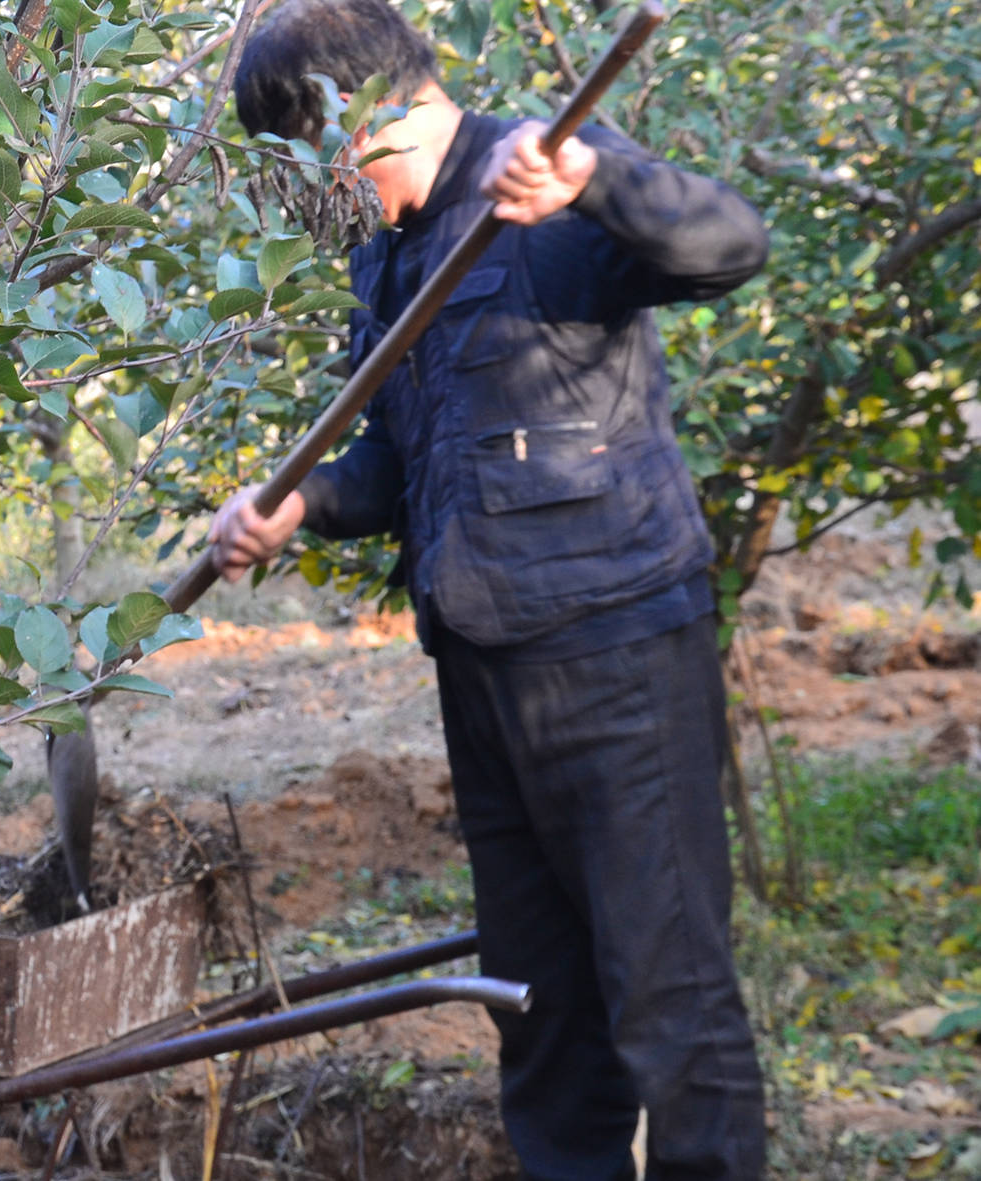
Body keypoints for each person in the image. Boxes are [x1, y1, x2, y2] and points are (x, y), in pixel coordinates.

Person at [211, 2, 771, 1178]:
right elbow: (413, 461)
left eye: (300, 157)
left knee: (668, 1003)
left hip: (615, 659)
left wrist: (592, 184)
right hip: (480, 668)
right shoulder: (390, 250)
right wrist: (296, 506)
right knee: (541, 1007)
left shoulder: (545, 173)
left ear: (352, 121)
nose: (304, 191)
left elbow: (728, 245)